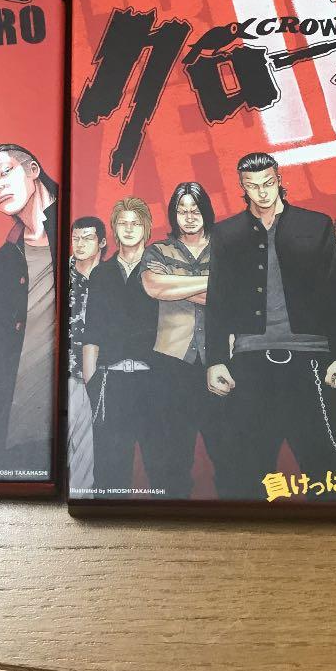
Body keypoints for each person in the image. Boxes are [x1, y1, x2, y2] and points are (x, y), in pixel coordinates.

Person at [204, 152, 336, 501]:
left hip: (311, 362)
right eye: (253, 185)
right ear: (242, 186)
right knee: (246, 471)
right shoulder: (227, 233)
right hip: (250, 364)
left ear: (279, 180)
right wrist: (216, 360)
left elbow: (335, 292)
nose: (262, 192)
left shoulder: (315, 225)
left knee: (328, 468)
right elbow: (218, 301)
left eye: (268, 183)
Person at [0, 143, 59, 477]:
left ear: (33, 170)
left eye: (3, 172)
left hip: (77, 415)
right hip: (17, 430)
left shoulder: (84, 229)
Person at [140, 182, 214, 499]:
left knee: (229, 449)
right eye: (182, 211)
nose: (189, 216)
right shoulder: (159, 250)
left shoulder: (225, 248)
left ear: (206, 211)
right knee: (173, 454)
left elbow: (237, 296)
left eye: (195, 209)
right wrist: (218, 282)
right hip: (171, 364)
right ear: (173, 215)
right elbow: (155, 287)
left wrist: (177, 284)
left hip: (220, 361)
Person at [81, 198, 160, 495]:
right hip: (110, 381)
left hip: (153, 380)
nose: (129, 229)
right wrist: (92, 383)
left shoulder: (160, 268)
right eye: (122, 223)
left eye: (135, 223)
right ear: (114, 228)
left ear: (146, 228)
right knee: (110, 472)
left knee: (162, 465)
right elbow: (92, 331)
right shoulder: (101, 273)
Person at [67, 216, 106, 495]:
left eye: (88, 238)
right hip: (63, 373)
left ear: (102, 242)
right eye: (76, 238)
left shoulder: (111, 276)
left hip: (100, 373)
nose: (80, 244)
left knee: (90, 453)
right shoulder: (59, 275)